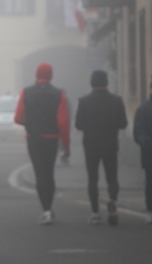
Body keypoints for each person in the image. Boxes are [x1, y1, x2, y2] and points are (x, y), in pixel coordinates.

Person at [14, 62, 70, 225]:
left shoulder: (26, 92)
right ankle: (49, 207)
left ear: (36, 75)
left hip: (34, 138)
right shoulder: (59, 94)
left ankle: (46, 210)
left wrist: (30, 124)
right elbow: (63, 123)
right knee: (49, 173)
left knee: (39, 174)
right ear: (50, 75)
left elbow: (17, 118)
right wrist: (65, 145)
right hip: (52, 139)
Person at [75, 70, 127, 226]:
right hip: (110, 144)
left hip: (91, 145)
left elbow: (78, 124)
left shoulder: (84, 101)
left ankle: (95, 212)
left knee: (93, 178)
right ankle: (112, 200)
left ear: (92, 83)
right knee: (112, 176)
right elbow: (123, 123)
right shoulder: (116, 101)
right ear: (106, 82)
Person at [133, 79, 152, 224]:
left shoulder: (142, 108)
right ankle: (150, 210)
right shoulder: (144, 109)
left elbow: (138, 133)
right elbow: (138, 133)